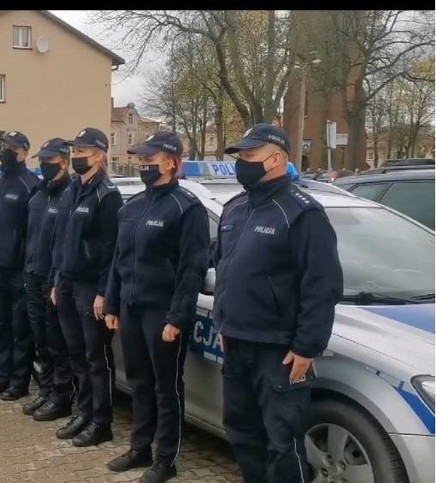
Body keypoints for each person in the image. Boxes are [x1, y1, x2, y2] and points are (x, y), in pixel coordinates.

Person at [214, 123, 343, 483]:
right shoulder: (235, 208)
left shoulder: (302, 212)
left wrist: (306, 346)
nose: (241, 163)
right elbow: (225, 269)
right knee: (242, 432)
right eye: (240, 157)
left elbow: (322, 285)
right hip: (237, 342)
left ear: (276, 159)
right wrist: (224, 322)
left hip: (279, 351)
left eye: (249, 156)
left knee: (282, 444)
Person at [103, 132, 210, 482]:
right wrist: (113, 303)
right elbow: (119, 260)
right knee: (138, 381)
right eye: (141, 158)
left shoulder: (186, 207)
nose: (143, 164)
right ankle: (140, 448)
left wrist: (177, 316)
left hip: (162, 313)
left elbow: (191, 269)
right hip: (132, 309)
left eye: (150, 158)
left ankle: (167, 459)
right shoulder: (132, 206)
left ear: (172, 162)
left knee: (167, 387)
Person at [51, 127, 124, 447]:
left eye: (81, 152)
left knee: (97, 357)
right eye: (74, 152)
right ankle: (84, 412)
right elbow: (63, 241)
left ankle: (101, 421)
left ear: (98, 155)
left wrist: (103, 291)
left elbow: (112, 250)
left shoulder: (108, 195)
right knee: (76, 353)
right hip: (67, 282)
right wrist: (57, 281)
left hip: (91, 287)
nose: (75, 157)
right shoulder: (73, 190)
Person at [0, 131, 41, 401]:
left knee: (19, 328)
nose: (5, 151)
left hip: (17, 270)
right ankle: (0, 377)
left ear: (24, 153)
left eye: (11, 147)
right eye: (4, 146)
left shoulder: (31, 185)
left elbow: (34, 231)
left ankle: (19, 381)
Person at [21, 138, 75, 421]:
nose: (43, 165)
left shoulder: (70, 194)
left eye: (49, 160)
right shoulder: (39, 192)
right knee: (40, 340)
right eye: (41, 160)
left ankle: (61, 397)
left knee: (57, 344)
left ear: (63, 162)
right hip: (32, 275)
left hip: (53, 281)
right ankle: (45, 391)